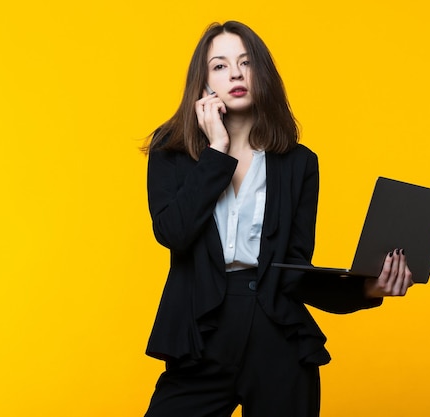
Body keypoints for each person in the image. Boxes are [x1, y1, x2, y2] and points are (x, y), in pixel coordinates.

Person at [143, 21, 413, 417]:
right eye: (219, 66)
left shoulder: (298, 163)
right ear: (202, 85)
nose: (235, 73)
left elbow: (293, 273)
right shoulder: (171, 152)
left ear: (262, 74)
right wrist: (217, 149)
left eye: (246, 62)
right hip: (201, 338)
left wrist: (369, 289)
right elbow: (173, 233)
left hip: (278, 338)